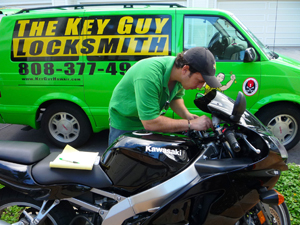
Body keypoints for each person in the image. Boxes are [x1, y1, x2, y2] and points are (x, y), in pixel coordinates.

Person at [108, 47, 221, 146]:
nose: (200, 87)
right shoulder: (149, 75)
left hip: (149, 121)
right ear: (185, 69)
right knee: (123, 165)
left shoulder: (178, 74)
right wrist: (191, 124)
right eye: (200, 81)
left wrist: (188, 116)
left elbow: (175, 98)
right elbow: (150, 122)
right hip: (126, 123)